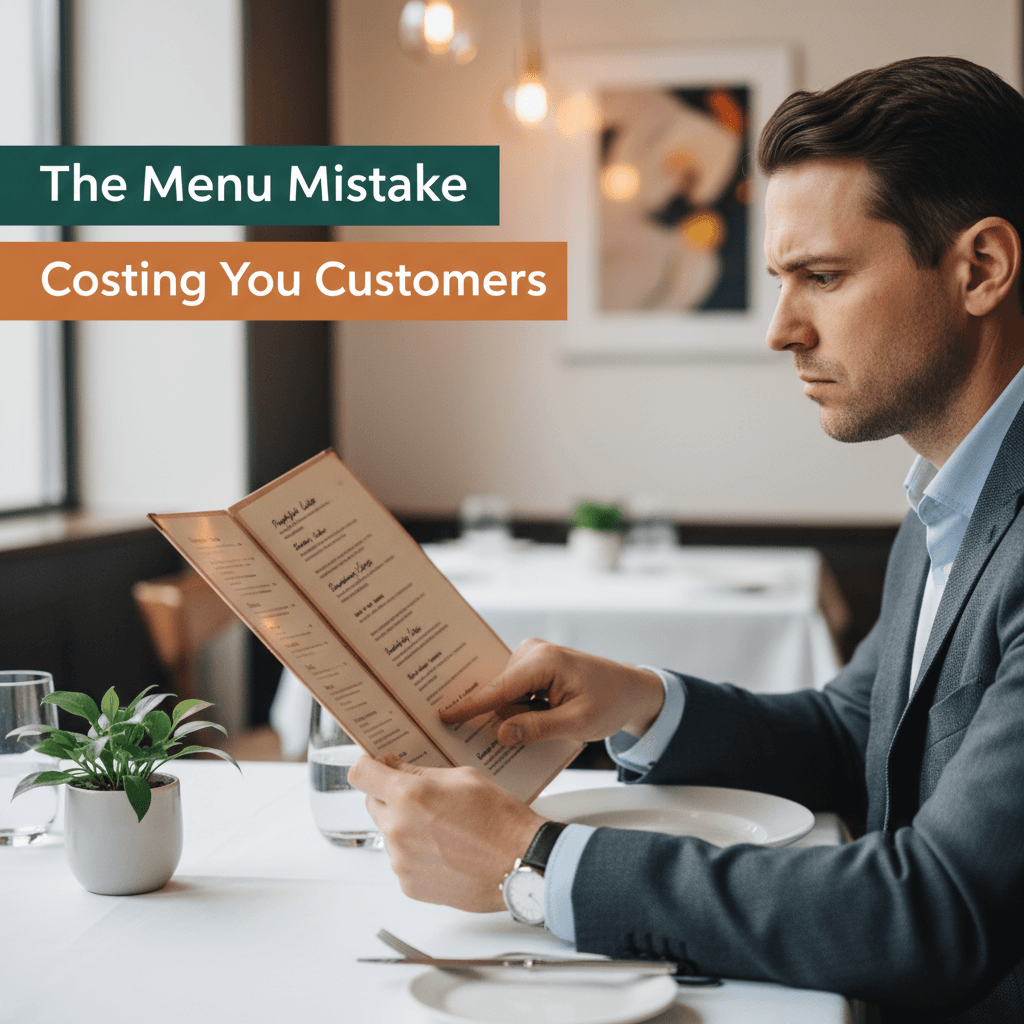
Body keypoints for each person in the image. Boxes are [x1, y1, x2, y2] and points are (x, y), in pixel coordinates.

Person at [349, 56, 1024, 1022]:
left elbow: (932, 909)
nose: (782, 329)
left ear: (981, 268)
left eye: (822, 278)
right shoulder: (951, 494)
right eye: (780, 281)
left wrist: (526, 862)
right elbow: (854, 735)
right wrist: (636, 701)